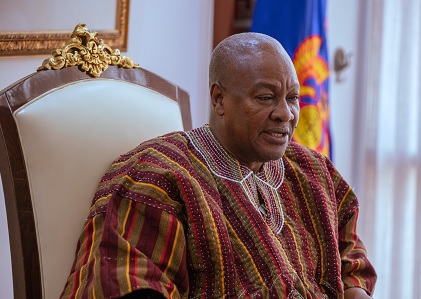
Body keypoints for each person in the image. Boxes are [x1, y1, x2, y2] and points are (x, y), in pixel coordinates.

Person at [60, 32, 376, 298]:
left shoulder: (312, 170)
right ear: (219, 99)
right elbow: (129, 280)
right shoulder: (157, 178)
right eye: (266, 97)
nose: (286, 114)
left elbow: (351, 263)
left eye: (292, 97)